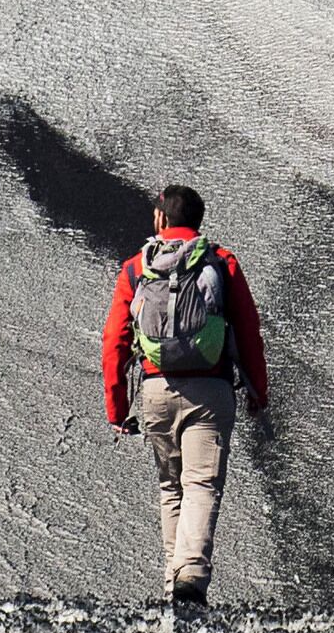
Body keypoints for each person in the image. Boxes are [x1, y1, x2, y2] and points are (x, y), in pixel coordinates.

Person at [104, 184, 270, 610]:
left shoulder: (136, 269)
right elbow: (248, 332)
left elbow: (114, 342)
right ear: (197, 220)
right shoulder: (220, 262)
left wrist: (118, 409)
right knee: (202, 484)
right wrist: (257, 390)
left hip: (157, 389)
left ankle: (171, 586)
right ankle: (190, 580)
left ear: (161, 219)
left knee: (171, 487)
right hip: (210, 391)